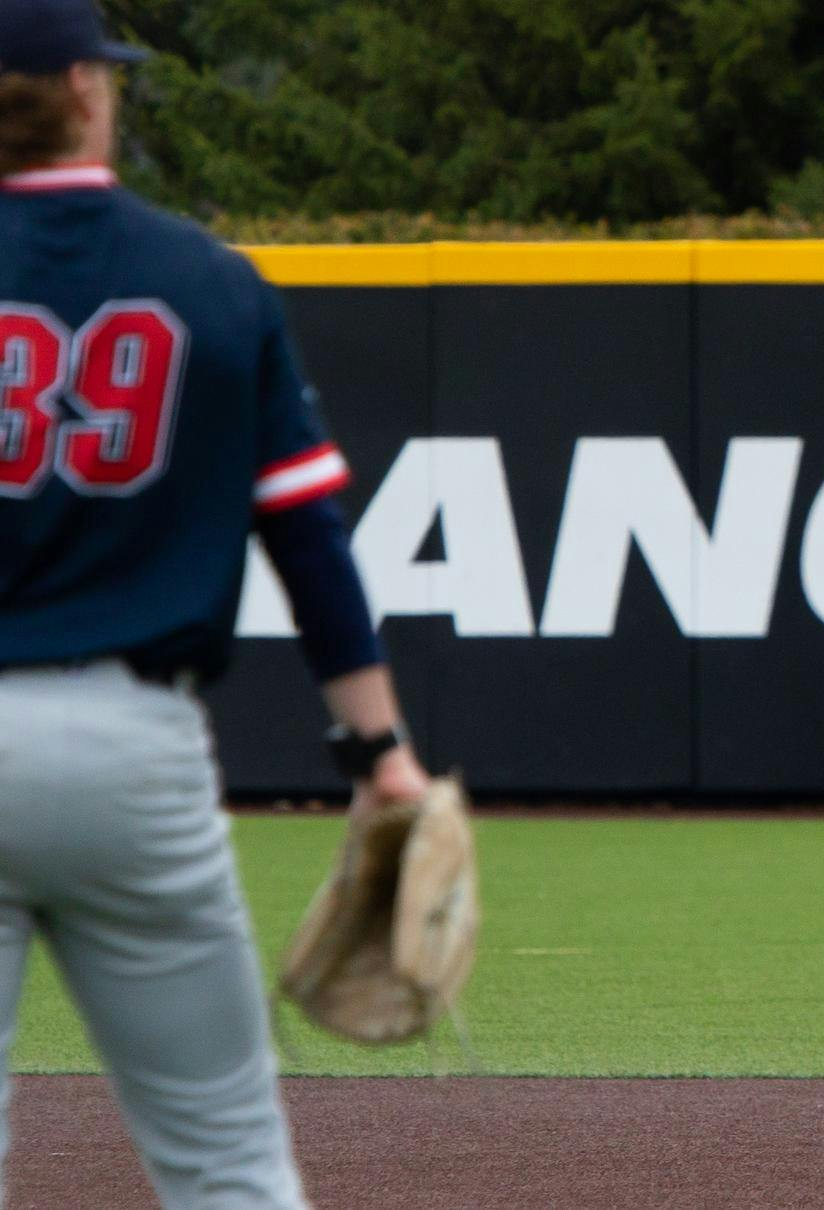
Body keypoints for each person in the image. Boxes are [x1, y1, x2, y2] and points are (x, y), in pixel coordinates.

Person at [0, 2, 428, 1204]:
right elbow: (307, 540)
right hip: (131, 749)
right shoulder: (204, 278)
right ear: (89, 90)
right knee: (226, 1161)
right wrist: (379, 751)